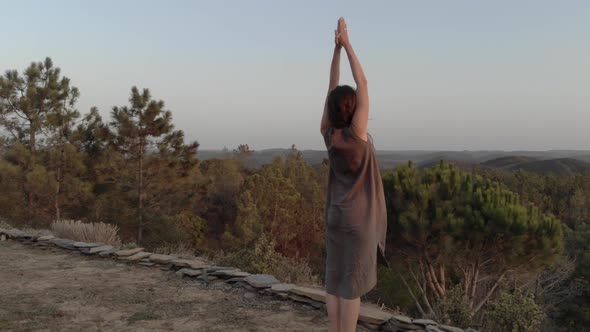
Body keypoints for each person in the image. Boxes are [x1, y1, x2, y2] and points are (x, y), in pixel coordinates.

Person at [320, 17, 387, 332]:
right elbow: (364, 83)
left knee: (334, 282)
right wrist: (346, 44)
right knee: (351, 288)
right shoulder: (358, 135)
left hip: (336, 215)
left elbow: (331, 90)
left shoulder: (329, 134)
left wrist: (334, 53)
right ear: (354, 107)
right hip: (359, 221)